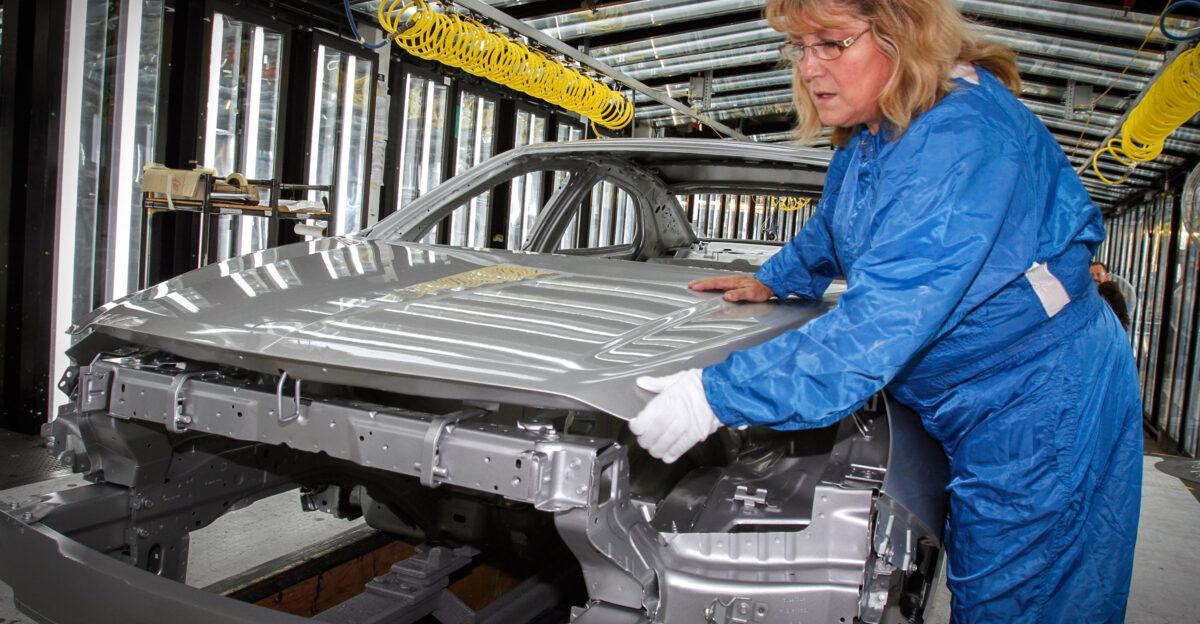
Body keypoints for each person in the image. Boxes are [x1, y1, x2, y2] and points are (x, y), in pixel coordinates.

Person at [627, 0, 1143, 622]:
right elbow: (840, 229)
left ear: (903, 38)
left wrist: (715, 395)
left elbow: (883, 321)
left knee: (1022, 598)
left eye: (832, 44)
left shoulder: (963, 139)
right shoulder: (878, 132)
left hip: (1037, 397)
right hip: (976, 389)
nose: (810, 69)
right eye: (800, 48)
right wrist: (776, 279)